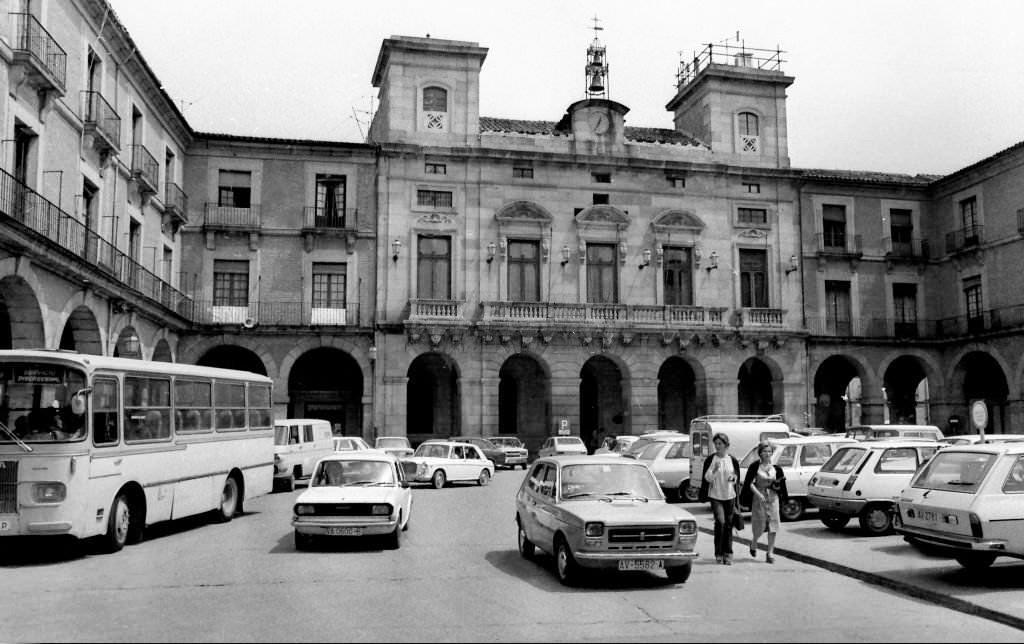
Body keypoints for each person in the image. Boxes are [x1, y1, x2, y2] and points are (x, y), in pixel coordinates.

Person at [741, 442, 789, 564]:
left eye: (769, 451)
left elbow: (781, 485)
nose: (767, 454)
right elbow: (749, 483)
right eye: (764, 451)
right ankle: (754, 542)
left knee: (773, 525)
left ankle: (770, 553)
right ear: (760, 453)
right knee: (760, 525)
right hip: (759, 498)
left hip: (773, 499)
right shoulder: (755, 467)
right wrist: (758, 494)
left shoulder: (776, 469)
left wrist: (783, 497)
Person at [699, 432, 741, 565]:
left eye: (720, 443)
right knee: (720, 523)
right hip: (716, 496)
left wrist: (733, 478)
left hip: (729, 495)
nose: (717, 446)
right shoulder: (712, 459)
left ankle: (728, 554)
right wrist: (714, 470)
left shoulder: (732, 460)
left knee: (728, 525)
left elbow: (735, 479)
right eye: (716, 443)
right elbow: (707, 478)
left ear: (726, 445)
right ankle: (718, 553)